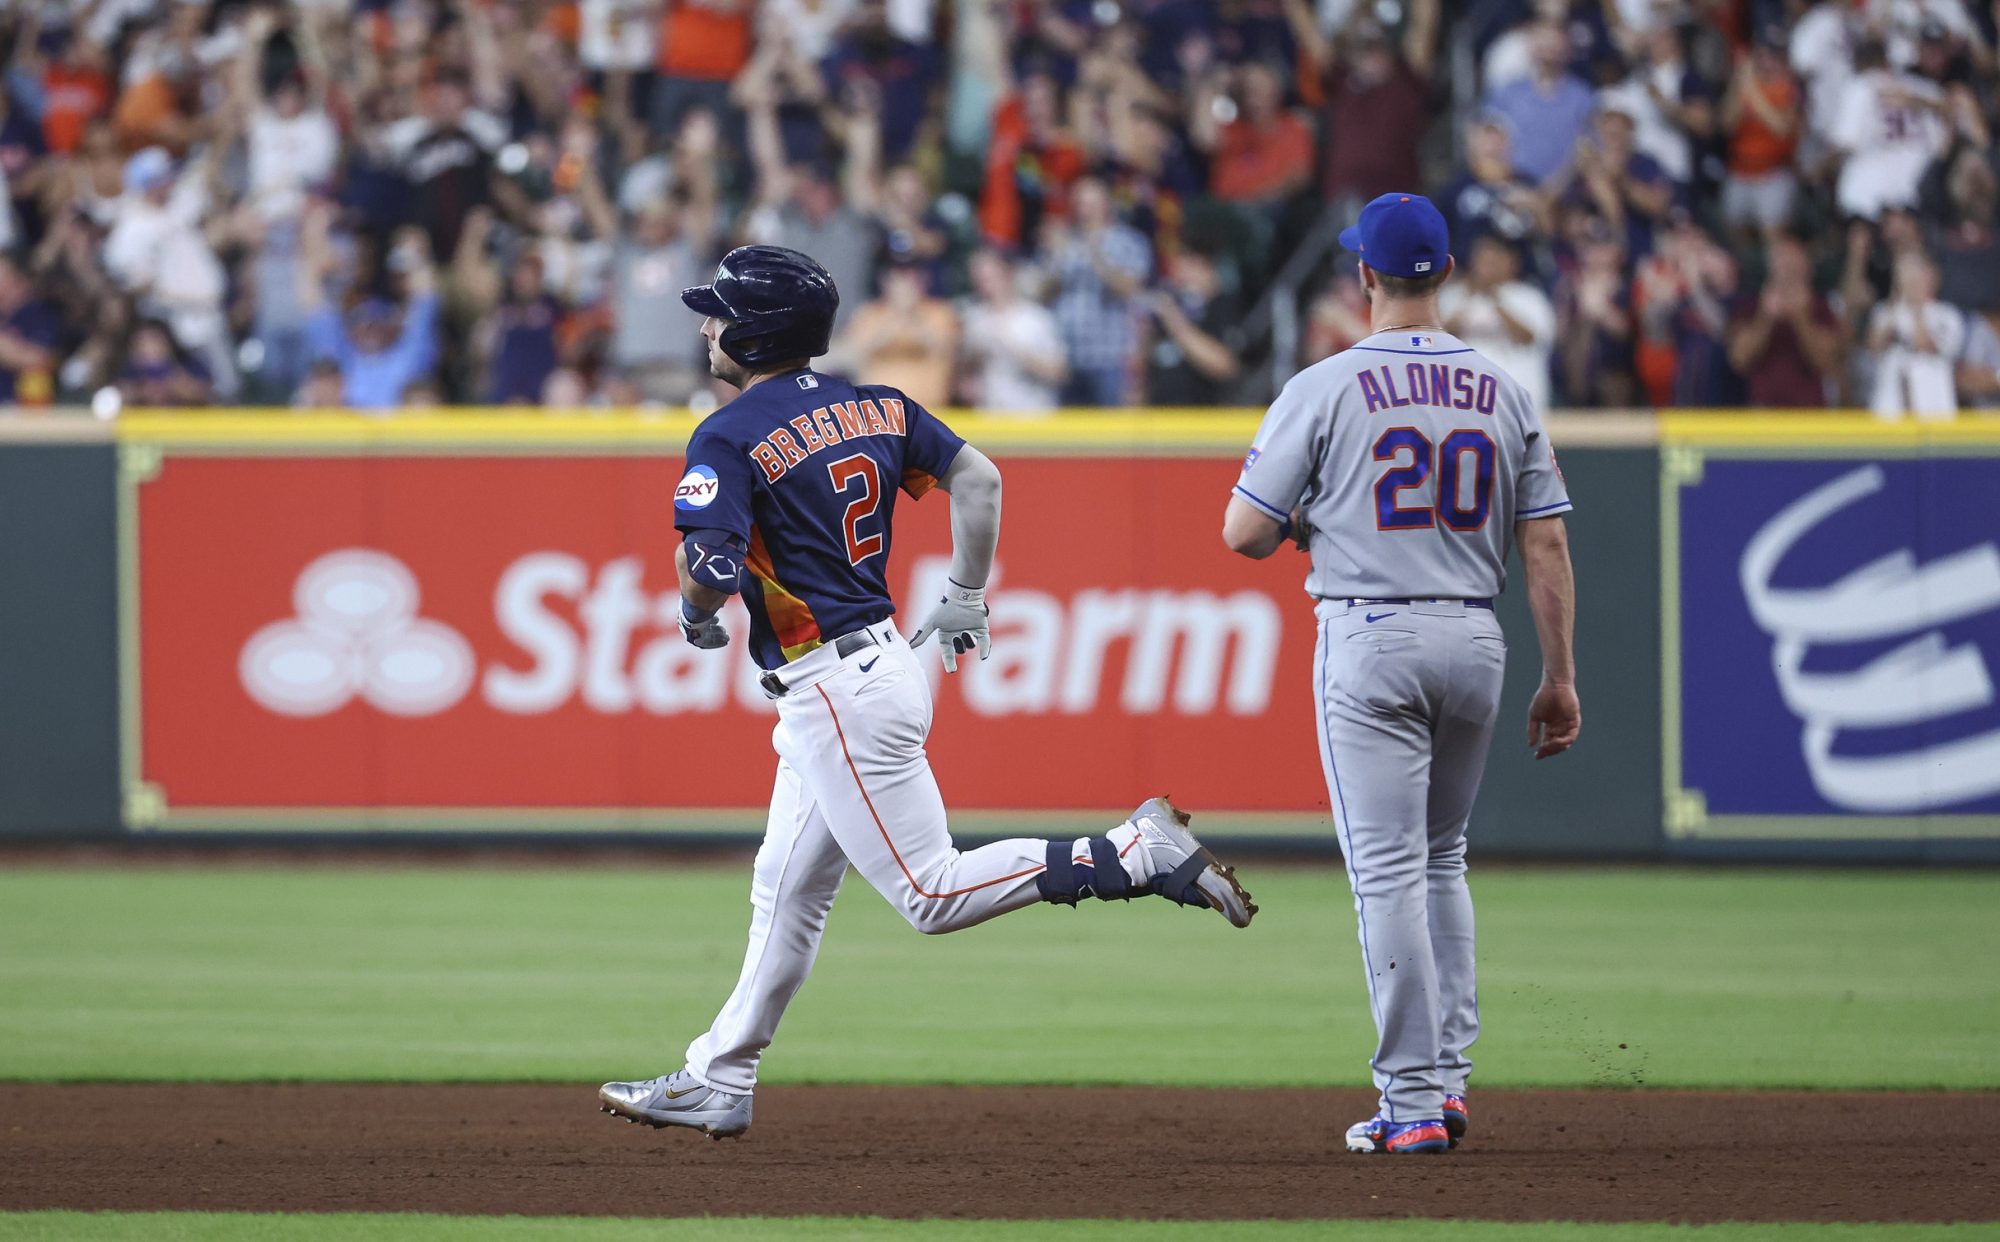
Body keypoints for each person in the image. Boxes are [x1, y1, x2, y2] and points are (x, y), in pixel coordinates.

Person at [597, 245, 1255, 1139]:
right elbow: (979, 478)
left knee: (931, 893)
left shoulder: (730, 429)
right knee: (785, 890)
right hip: (875, 665)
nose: (706, 326)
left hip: (835, 685)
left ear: (754, 331)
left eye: (718, 313)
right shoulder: (877, 401)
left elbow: (709, 564)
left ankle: (1134, 852)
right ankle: (721, 1076)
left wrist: (694, 609)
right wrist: (966, 593)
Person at [1220, 194, 1580, 1156]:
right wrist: (1563, 678)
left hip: (1370, 633)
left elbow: (1245, 531)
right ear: (1447, 272)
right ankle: (1447, 1085)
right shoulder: (1503, 387)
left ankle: (1412, 1102)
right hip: (1476, 639)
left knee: (1387, 872)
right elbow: (1544, 544)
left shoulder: (1326, 383)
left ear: (1365, 277)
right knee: (1441, 859)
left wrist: (1312, 519)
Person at [957, 247, 1066, 413]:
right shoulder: (974, 318)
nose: (985, 286)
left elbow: (1059, 373)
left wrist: (1017, 351)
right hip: (990, 417)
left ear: (1007, 275)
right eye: (980, 279)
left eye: (990, 278)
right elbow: (964, 376)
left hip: (1033, 416)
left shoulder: (1035, 318)